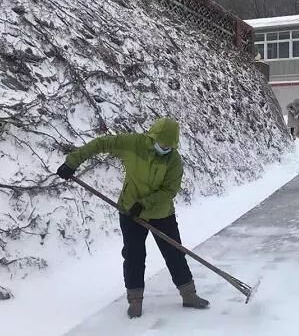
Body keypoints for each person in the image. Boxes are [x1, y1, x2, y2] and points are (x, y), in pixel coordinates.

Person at [55, 118, 209, 318]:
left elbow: (170, 190)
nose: (165, 148)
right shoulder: (132, 143)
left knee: (174, 253)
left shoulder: (174, 160)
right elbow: (102, 143)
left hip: (161, 213)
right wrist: (72, 162)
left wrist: (145, 203)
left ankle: (189, 295)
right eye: (162, 143)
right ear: (152, 137)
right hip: (129, 211)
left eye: (169, 146)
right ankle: (135, 300)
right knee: (134, 255)